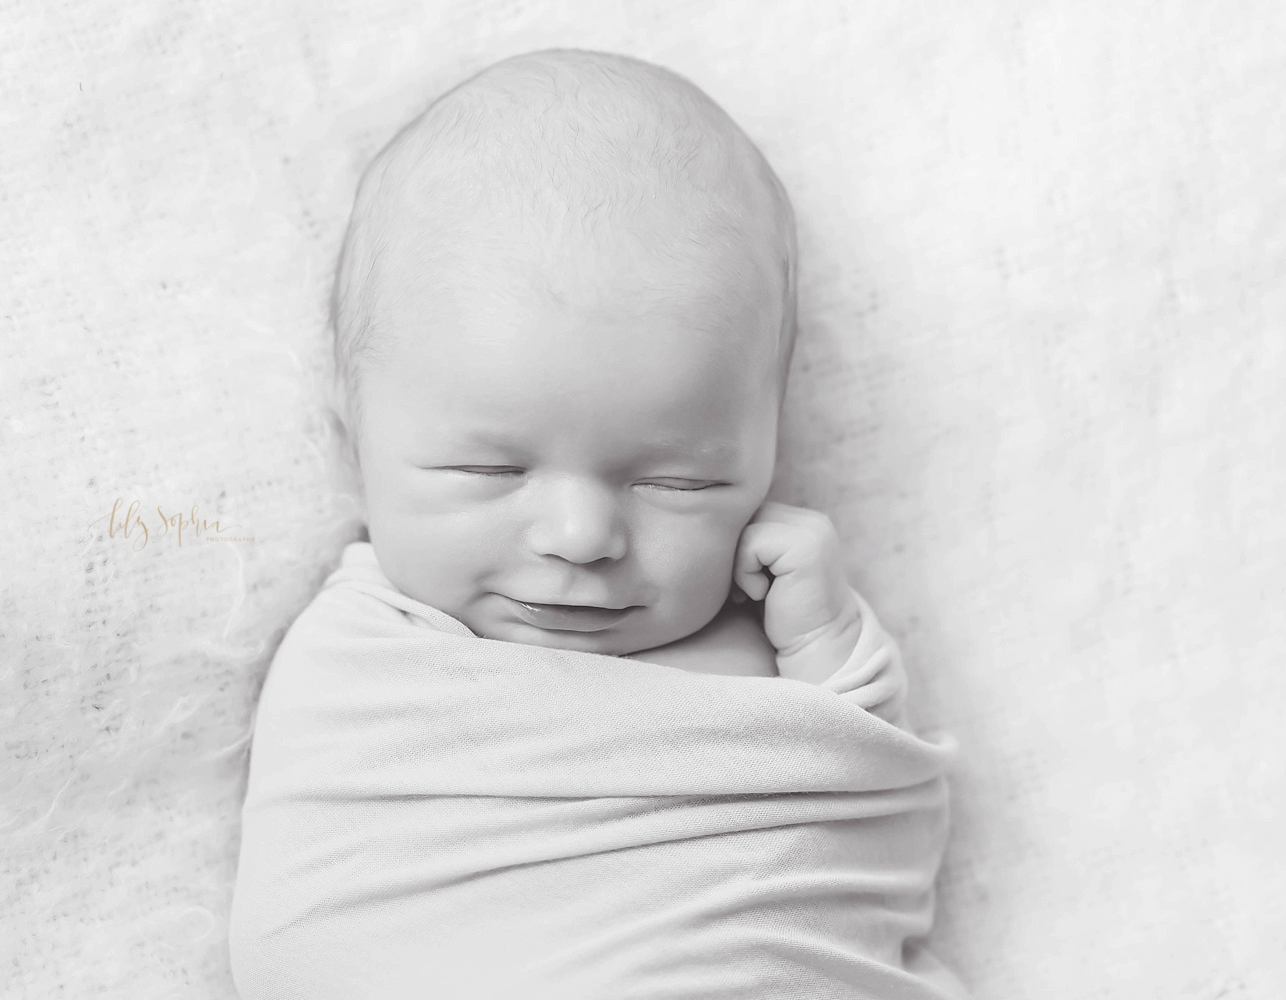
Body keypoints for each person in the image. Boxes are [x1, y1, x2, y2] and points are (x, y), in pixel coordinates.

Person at [230, 48, 964, 998]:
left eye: (677, 481)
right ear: (351, 417)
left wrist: (833, 649)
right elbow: (318, 930)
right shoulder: (368, 669)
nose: (582, 536)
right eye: (489, 469)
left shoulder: (783, 638)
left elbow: (876, 830)